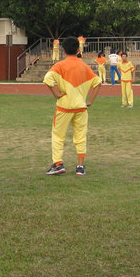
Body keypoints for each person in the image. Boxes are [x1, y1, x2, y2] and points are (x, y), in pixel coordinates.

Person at [42, 37, 101, 176]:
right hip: (81, 107)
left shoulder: (59, 66)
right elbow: (98, 83)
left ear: (63, 50)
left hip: (64, 107)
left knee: (58, 135)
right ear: (78, 50)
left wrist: (57, 94)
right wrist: (90, 101)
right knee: (80, 136)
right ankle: (80, 167)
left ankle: (58, 164)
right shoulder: (84, 66)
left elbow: (47, 79)